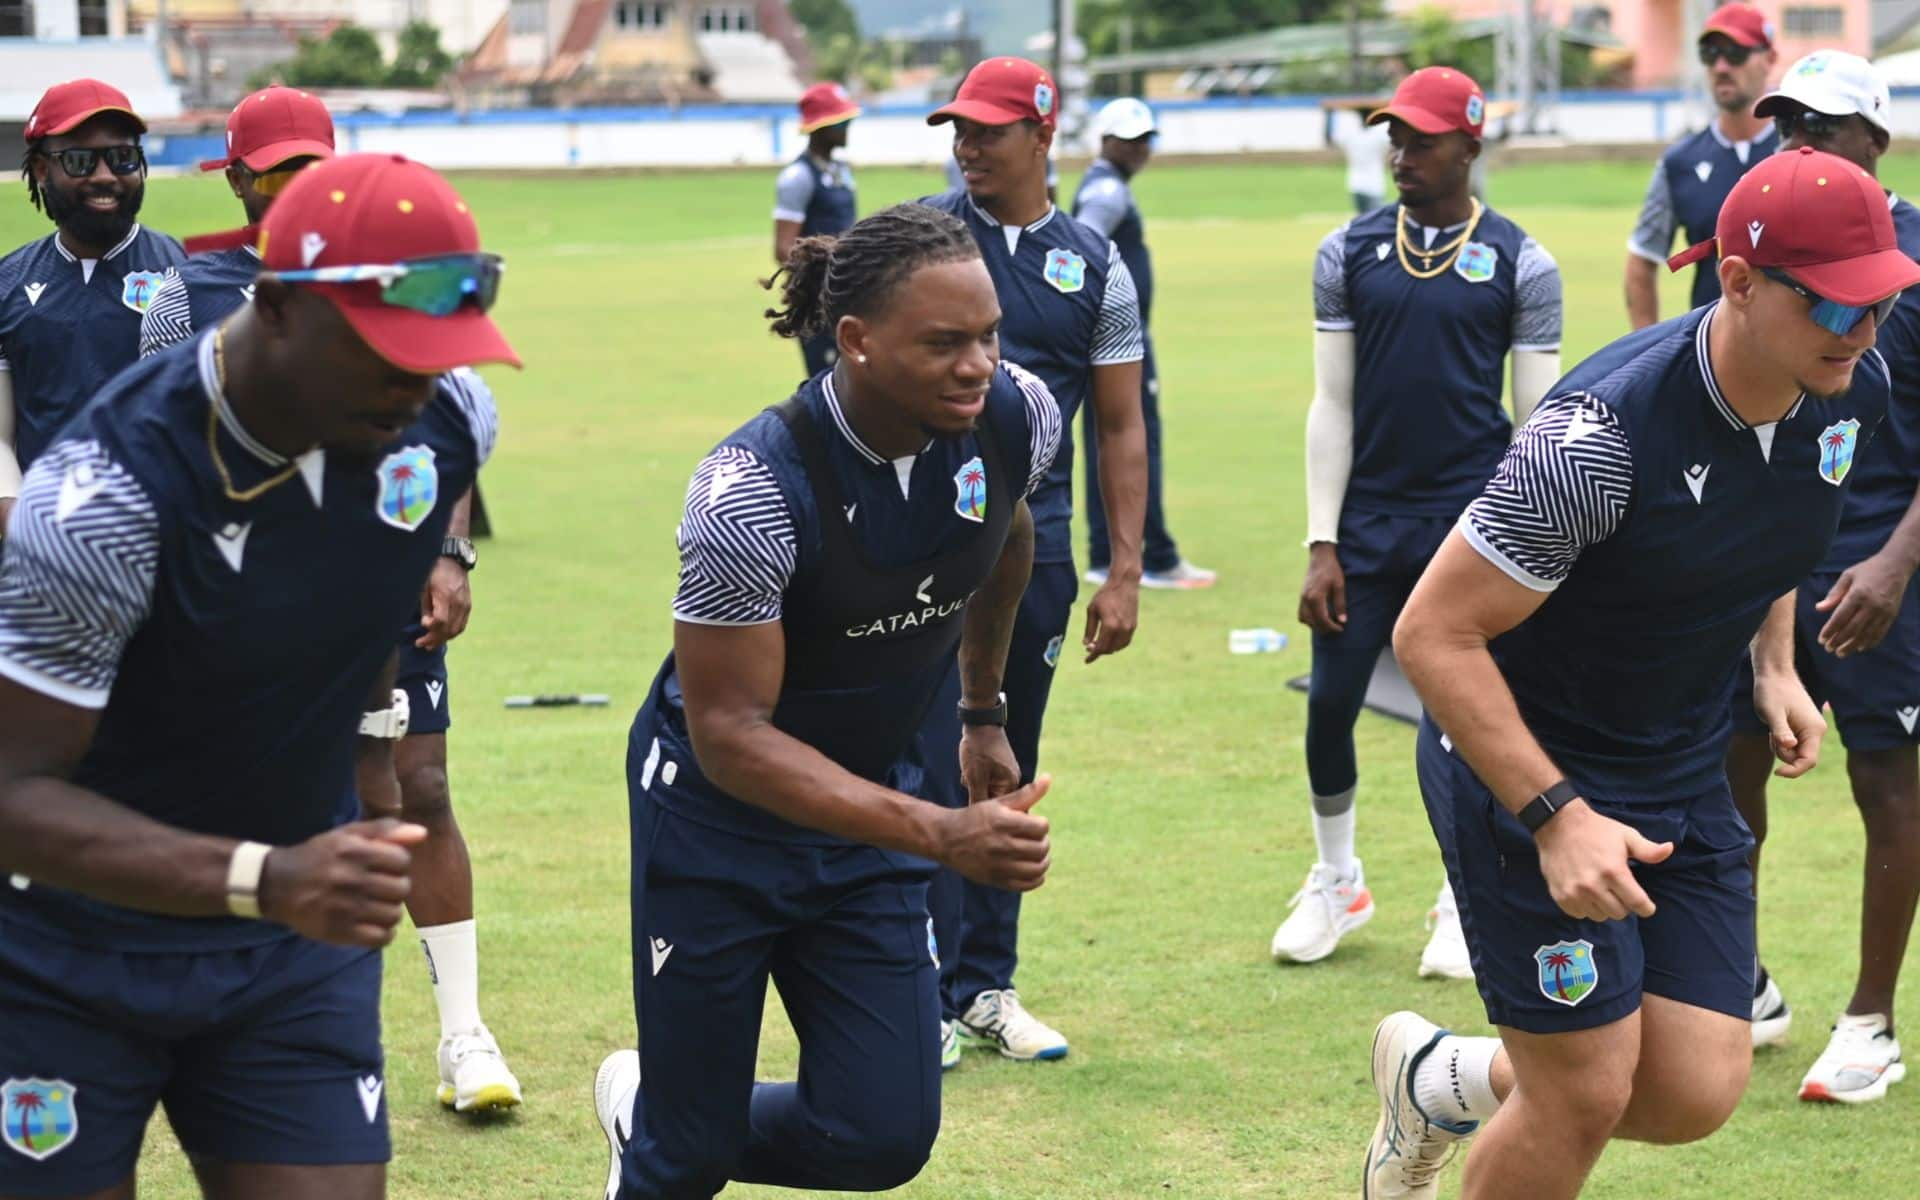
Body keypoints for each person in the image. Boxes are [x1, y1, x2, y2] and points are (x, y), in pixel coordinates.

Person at [1365, 146, 1916, 1200]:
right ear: (1739, 283)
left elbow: (1774, 529)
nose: (1863, 331)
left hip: (1676, 758)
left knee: (1694, 1088)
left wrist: (1773, 667)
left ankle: (1437, 1081)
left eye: (1880, 303)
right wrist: (1556, 814)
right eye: (1835, 306)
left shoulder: (1849, 389)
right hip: (1527, 766)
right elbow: (1433, 636)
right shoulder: (1595, 441)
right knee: (1580, 1093)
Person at [0, 151, 516, 1199]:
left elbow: (351, 586)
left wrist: (370, 775)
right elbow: (11, 798)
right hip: (60, 955)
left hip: (289, 948)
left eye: (438, 355)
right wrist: (262, 876)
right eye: (383, 350)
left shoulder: (445, 424)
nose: (414, 385)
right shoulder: (101, 502)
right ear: (275, 306)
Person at [590, 203, 1061, 1199]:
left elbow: (1009, 536)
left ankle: (663, 1109)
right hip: (714, 827)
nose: (979, 364)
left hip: (871, 811)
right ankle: (668, 1122)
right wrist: (936, 830)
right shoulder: (749, 494)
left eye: (987, 336)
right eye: (944, 344)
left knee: (881, 1139)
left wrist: (983, 714)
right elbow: (729, 739)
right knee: (687, 1160)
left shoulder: (1017, 415)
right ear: (855, 341)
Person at [137, 86, 522, 1114]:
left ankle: (463, 1036)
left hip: (384, 571)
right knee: (260, 808)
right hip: (246, 602)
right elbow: (165, 450)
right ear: (236, 179)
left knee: (421, 789)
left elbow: (445, 420)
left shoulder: (389, 273)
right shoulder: (190, 291)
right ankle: (252, 1039)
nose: (297, 191)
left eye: (315, 168)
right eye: (276, 174)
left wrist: (450, 554)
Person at [1278, 67, 1562, 981]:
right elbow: (1334, 405)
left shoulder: (1524, 261)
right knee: (1330, 708)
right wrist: (1322, 540)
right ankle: (1336, 878)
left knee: (1462, 721)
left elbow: (1538, 416)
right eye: (1393, 136)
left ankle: (1457, 896)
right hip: (1366, 524)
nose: (1400, 153)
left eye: (1422, 138)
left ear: (1471, 147)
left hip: (1470, 524)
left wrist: (1534, 541)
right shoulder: (1347, 251)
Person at [919, 56, 1148, 1066]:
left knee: (1006, 764)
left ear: (1043, 134)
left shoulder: (1095, 262)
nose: (968, 145)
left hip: (1036, 555)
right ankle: (914, 988)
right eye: (959, 129)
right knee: (921, 759)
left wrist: (1126, 566)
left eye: (988, 129)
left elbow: (1120, 423)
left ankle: (985, 989)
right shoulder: (921, 242)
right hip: (916, 548)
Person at [1721, 51, 1917, 1102]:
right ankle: (1736, 980)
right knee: (1734, 764)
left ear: (1875, 139)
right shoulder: (1763, 238)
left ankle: (1871, 1021)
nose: (1798, 136)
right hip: (1766, 559)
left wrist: (1893, 563)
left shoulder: (1918, 251)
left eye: (1822, 121)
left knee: (1883, 777)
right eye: (1787, 118)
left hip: (1888, 558)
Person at [0, 78, 183, 519]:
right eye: (80, 161)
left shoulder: (185, 275)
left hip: (157, 544)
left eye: (121, 157)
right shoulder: (7, 281)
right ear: (42, 170)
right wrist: (16, 514)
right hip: (34, 540)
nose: (105, 176)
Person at [1074, 97, 1215, 591]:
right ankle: (1154, 555)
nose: (1141, 150)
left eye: (1145, 140)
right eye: (1130, 140)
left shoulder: (1102, 185)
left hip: (1103, 340)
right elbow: (1084, 247)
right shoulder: (1107, 191)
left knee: (1105, 442)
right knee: (1137, 443)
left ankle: (1102, 552)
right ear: (1106, 140)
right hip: (1117, 343)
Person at [1624, 2, 1777, 328]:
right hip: (1712, 358)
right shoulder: (1680, 162)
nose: (1721, 66)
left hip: (1793, 357)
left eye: (1735, 53)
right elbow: (1642, 260)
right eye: (1710, 54)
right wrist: (1648, 354)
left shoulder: (1800, 154)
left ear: (1769, 59)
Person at [773, 81, 861, 378]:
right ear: (822, 127)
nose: (849, 127)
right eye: (842, 121)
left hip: (847, 292)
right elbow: (784, 248)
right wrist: (823, 276)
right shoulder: (797, 177)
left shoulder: (840, 170)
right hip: (819, 302)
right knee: (827, 383)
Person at [1327, 101, 1391, 214]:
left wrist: (1329, 115)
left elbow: (1329, 139)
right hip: (1374, 185)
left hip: (1355, 184)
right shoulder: (1379, 135)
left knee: (1362, 221)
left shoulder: (1351, 135)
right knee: (1375, 222)